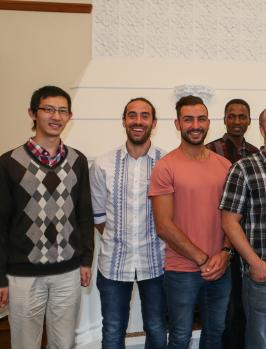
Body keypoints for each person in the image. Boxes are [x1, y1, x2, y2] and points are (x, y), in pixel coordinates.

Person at [0, 85, 94, 349]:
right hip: (22, 275)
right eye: (48, 109)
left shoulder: (77, 161)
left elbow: (84, 214)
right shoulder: (8, 163)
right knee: (25, 344)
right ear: (33, 114)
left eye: (62, 111)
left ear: (70, 116)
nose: (56, 116)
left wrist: (86, 260)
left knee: (64, 343)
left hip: (67, 272)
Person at [149, 95, 232, 349]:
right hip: (181, 270)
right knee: (180, 336)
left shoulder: (225, 165)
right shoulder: (166, 167)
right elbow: (163, 225)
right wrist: (204, 259)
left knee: (215, 332)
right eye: (188, 120)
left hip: (221, 268)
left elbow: (233, 217)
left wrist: (225, 253)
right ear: (177, 124)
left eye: (201, 119)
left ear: (208, 123)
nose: (195, 125)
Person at [90, 97, 167, 348]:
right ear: (124, 120)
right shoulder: (102, 164)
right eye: (132, 115)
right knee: (112, 329)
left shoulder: (167, 164)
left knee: (156, 328)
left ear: (153, 123)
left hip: (157, 262)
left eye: (145, 116)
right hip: (114, 263)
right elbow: (98, 215)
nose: (138, 121)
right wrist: (118, 235)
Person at [220, 106, 266, 349]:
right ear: (261, 130)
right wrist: (253, 262)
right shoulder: (243, 168)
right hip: (265, 275)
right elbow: (229, 222)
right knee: (259, 342)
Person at [206, 98, 259, 349]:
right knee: (223, 310)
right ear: (225, 119)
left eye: (242, 116)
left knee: (245, 306)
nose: (237, 121)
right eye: (232, 116)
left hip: (250, 242)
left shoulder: (256, 153)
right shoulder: (209, 151)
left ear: (249, 120)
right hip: (219, 240)